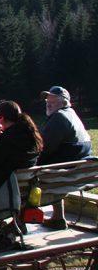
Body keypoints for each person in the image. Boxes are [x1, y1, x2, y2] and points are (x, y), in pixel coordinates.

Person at [38, 85, 93, 229]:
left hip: (59, 172)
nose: (48, 103)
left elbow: (43, 149)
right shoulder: (72, 115)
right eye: (47, 100)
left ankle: (19, 221)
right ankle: (58, 217)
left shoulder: (59, 117)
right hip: (73, 171)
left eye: (53, 100)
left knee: (23, 174)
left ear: (64, 103)